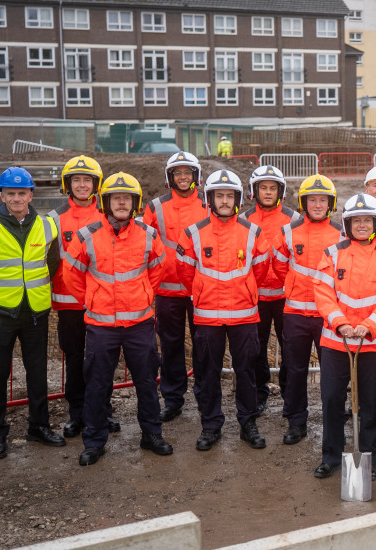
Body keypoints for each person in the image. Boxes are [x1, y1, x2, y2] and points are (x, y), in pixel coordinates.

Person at [65, 172, 173, 465]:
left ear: (135, 203)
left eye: (127, 198)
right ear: (106, 201)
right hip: (101, 327)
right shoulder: (87, 235)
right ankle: (95, 441)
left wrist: (143, 297)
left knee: (147, 383)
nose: (122, 202)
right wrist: (91, 300)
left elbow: (157, 270)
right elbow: (72, 275)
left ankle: (151, 435)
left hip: (139, 325)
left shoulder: (148, 235)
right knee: (98, 385)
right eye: (116, 198)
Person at [0, 167, 65, 460]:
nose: (17, 198)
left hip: (35, 312)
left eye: (22, 193)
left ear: (31, 195)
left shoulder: (47, 226)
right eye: (11, 193)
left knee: (37, 373)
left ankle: (39, 426)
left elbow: (53, 262)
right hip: (0, 314)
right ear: (2, 195)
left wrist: (32, 290)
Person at [312, 193, 376, 480]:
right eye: (357, 220)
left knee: (370, 404)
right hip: (335, 341)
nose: (362, 225)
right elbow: (323, 292)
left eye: (368, 220)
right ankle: (331, 457)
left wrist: (370, 325)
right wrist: (340, 323)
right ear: (347, 223)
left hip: (373, 343)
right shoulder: (331, 253)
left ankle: (369, 459)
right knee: (330, 400)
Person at [175, 170, 270, 451]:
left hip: (244, 315)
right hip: (207, 315)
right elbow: (184, 271)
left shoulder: (252, 232)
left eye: (230, 196)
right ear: (210, 198)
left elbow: (262, 269)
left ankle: (248, 423)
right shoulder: (193, 233)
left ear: (238, 199)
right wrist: (205, 291)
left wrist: (246, 291)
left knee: (247, 371)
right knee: (207, 372)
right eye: (220, 196)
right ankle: (211, 425)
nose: (225, 201)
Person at [49, 155, 118, 438]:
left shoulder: (107, 217)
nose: (81, 185)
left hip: (100, 302)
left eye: (86, 180)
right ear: (68, 184)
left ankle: (103, 410)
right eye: (76, 180)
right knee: (75, 360)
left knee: (102, 360)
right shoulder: (54, 219)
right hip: (69, 305)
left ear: (96, 185)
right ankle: (77, 413)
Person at [271, 174, 342, 446]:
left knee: (332, 371)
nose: (317, 205)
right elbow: (278, 268)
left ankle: (333, 418)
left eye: (322, 200)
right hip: (296, 316)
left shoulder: (340, 234)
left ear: (330, 204)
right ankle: (296, 421)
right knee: (296, 370)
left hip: (328, 317)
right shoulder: (289, 232)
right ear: (303, 203)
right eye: (312, 200)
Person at [142, 152, 208, 423]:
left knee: (204, 345)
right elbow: (143, 244)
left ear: (196, 176)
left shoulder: (208, 203)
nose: (183, 177)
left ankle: (206, 395)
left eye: (188, 172)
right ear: (170, 177)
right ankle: (173, 398)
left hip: (201, 288)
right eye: (178, 172)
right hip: (167, 290)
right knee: (170, 346)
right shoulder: (155, 206)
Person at [240, 165, 299, 416]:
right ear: (254, 191)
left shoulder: (294, 218)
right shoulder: (244, 220)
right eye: (263, 188)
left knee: (290, 348)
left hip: (286, 296)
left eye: (272, 188)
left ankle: (289, 393)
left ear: (280, 191)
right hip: (257, 297)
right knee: (257, 347)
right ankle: (259, 393)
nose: (267, 192)